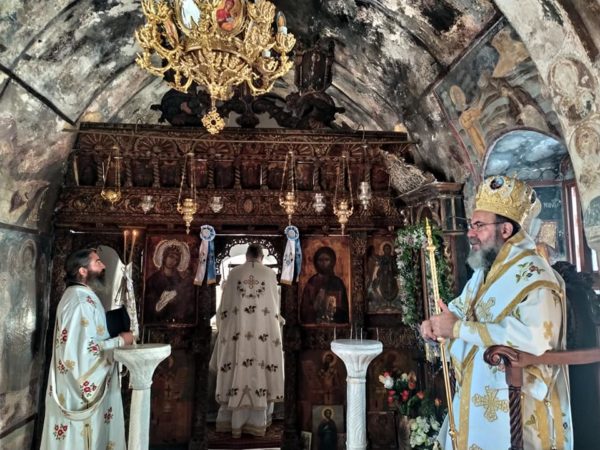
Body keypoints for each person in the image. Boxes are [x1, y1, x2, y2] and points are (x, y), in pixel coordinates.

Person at [420, 175, 572, 449]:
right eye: (471, 225)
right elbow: (458, 310)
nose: (470, 233)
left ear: (505, 230)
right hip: (475, 390)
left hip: (516, 400)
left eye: (479, 226)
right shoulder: (485, 272)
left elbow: (536, 340)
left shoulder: (535, 276)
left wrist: (458, 329)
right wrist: (435, 326)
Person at [41, 248, 134, 449]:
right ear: (82, 270)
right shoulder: (80, 301)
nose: (103, 265)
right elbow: (81, 353)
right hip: (78, 395)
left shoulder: (80, 296)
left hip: (73, 388)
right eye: (97, 262)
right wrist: (120, 340)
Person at [209, 243, 284, 438]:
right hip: (262, 335)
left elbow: (223, 310)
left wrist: (224, 328)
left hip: (238, 336)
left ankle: (234, 423)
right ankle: (259, 422)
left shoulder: (234, 274)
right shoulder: (270, 274)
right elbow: (275, 309)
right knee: (261, 370)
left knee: (236, 369)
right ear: (261, 257)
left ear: (247, 256)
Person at [145, 240, 195, 324]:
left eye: (176, 259)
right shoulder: (152, 280)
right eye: (171, 256)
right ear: (164, 256)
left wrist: (177, 300)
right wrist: (161, 301)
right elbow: (149, 304)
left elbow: (187, 306)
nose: (173, 261)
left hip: (177, 322)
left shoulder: (181, 281)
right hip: (157, 322)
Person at [300, 246, 349, 324]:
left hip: (334, 324)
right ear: (316, 262)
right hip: (315, 324)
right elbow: (304, 311)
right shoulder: (312, 282)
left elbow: (344, 310)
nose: (323, 263)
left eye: (326, 260)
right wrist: (315, 306)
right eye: (320, 260)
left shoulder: (338, 282)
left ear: (332, 261)